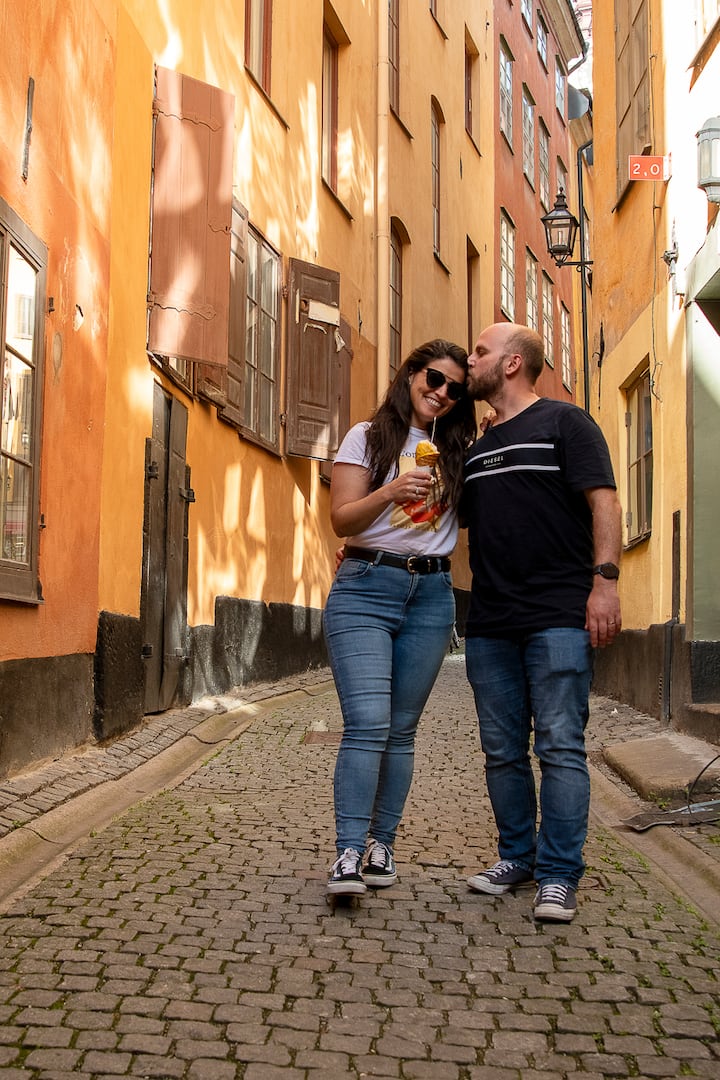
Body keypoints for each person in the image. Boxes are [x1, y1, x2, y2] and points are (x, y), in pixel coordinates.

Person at [462, 322, 622, 923]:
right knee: (501, 750)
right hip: (490, 620)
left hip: (558, 613)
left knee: (559, 745)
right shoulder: (477, 446)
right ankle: (517, 857)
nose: (469, 359)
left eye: (480, 351)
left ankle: (558, 874)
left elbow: (604, 501)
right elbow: (451, 522)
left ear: (511, 363)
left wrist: (605, 582)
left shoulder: (566, 423)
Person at [323, 339, 477, 897]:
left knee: (401, 729)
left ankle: (381, 845)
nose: (441, 393)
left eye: (454, 388)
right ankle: (347, 852)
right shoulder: (367, 437)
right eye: (434, 378)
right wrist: (391, 490)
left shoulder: (461, 451)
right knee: (367, 721)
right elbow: (342, 520)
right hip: (367, 586)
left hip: (432, 595)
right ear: (412, 374)